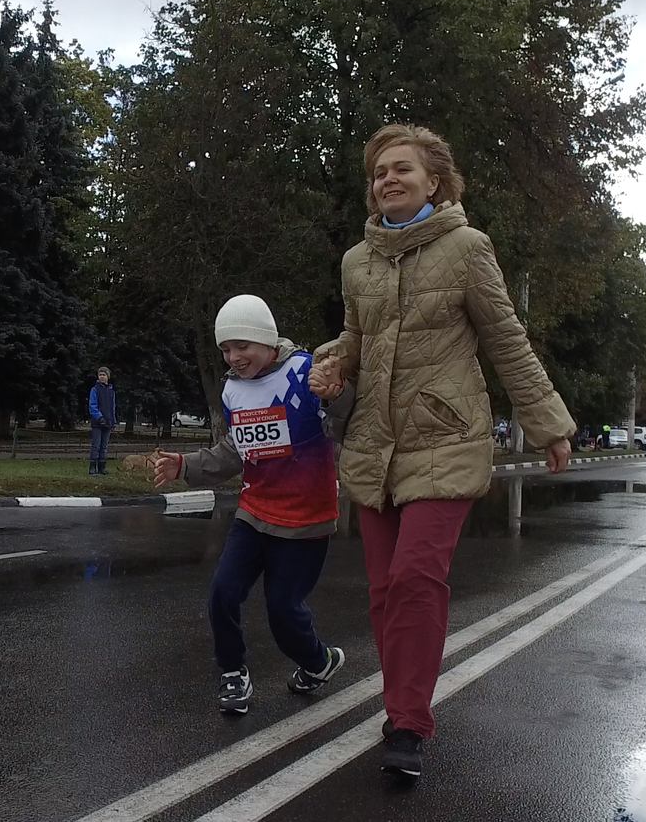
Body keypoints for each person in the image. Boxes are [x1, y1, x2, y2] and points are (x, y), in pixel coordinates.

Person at [309, 124, 574, 779]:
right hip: (376, 442)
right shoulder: (356, 261)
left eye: (402, 169)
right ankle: (402, 700)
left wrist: (547, 424)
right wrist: (333, 363)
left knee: (415, 579)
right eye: (378, 173)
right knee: (382, 589)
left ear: (435, 181)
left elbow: (505, 339)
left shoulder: (467, 249)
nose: (388, 180)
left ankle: (407, 722)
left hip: (446, 436)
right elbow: (355, 339)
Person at [153, 295, 349, 716]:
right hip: (254, 512)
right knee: (223, 593)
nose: (233, 356)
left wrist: (337, 396)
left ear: (264, 338)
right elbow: (233, 451)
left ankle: (319, 661)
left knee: (283, 611)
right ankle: (232, 673)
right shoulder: (232, 390)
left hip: (306, 520)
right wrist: (185, 465)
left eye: (241, 345)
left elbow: (344, 424)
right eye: (225, 348)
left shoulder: (305, 372)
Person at [88, 366, 116, 475]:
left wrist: (113, 421)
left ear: (108, 377)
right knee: (96, 445)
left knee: (104, 446)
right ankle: (92, 468)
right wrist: (99, 418)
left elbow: (113, 408)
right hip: (98, 423)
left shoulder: (111, 392)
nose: (102, 377)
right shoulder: (95, 390)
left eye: (104, 375)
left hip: (108, 423)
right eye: (100, 375)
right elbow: (92, 406)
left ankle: (102, 467)